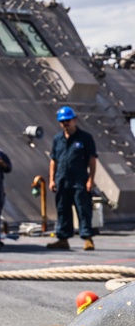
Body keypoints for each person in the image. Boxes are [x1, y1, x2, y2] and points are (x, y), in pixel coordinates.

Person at [47, 106, 99, 251]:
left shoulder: (85, 138)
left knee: (83, 209)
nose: (65, 123)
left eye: (68, 120)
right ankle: (63, 239)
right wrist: (52, 179)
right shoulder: (57, 139)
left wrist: (91, 179)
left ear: (74, 120)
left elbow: (92, 159)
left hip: (79, 180)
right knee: (62, 209)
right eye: (62, 121)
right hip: (62, 180)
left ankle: (87, 238)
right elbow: (53, 160)